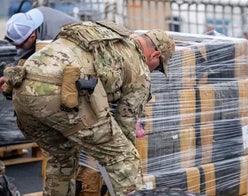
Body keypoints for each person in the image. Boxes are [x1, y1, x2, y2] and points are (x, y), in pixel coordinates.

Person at [3, 20, 175, 195]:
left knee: (62, 158)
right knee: (124, 158)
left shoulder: (106, 35)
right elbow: (126, 124)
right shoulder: (140, 69)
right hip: (59, 96)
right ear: (155, 54)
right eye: (159, 67)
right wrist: (120, 155)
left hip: (21, 88)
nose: (154, 71)